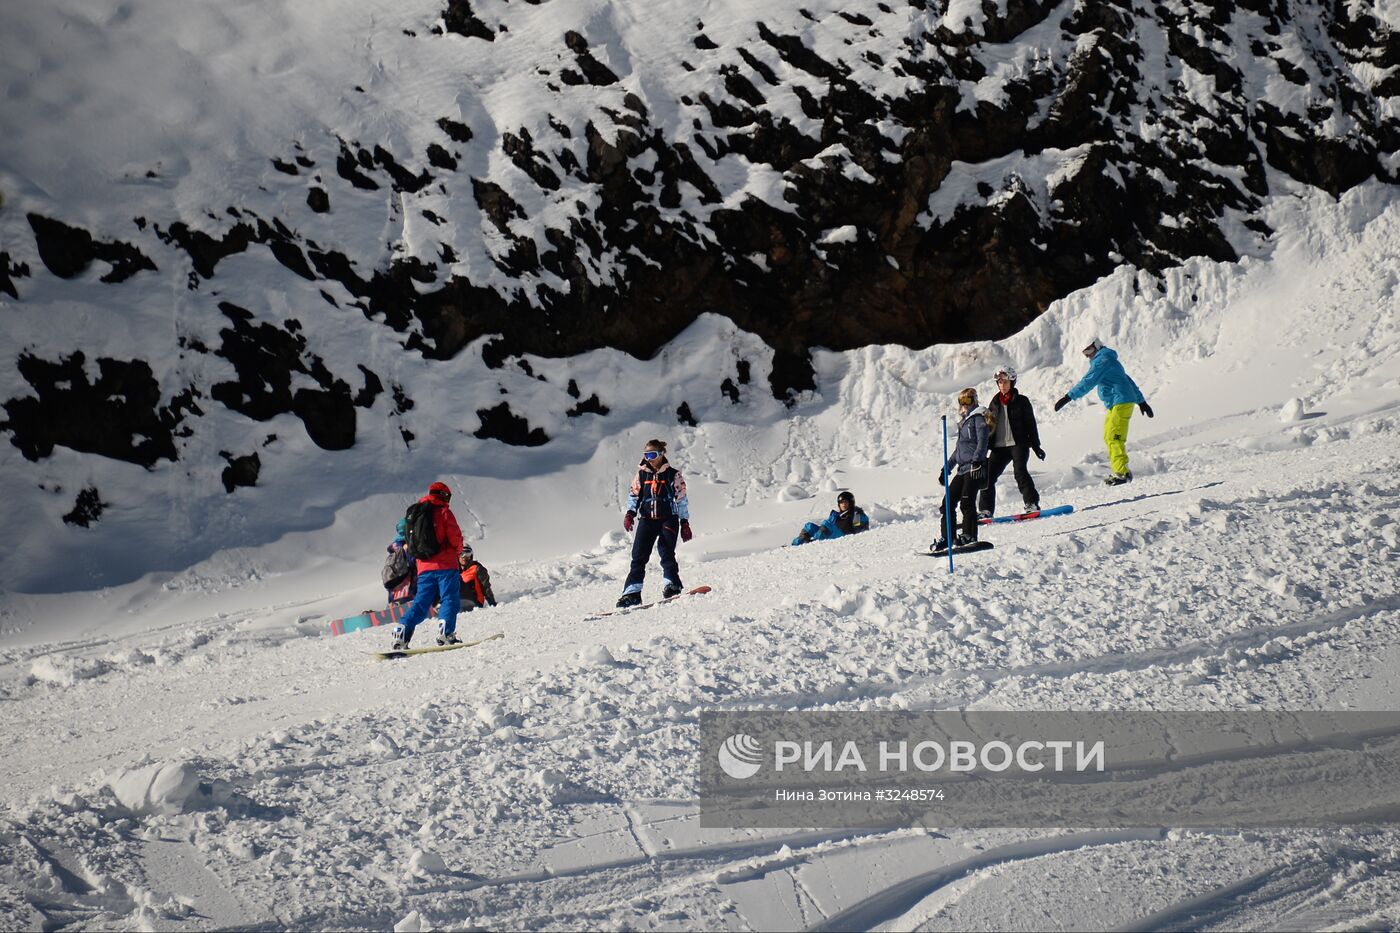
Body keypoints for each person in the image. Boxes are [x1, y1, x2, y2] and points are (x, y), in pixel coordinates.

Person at [1053, 339, 1154, 485]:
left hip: (1121, 402)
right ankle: (1119, 470)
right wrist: (1141, 401)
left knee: (1115, 437)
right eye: (1084, 353)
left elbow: (1088, 381)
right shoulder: (1106, 359)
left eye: (1089, 351)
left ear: (1097, 346)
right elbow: (1127, 380)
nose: (1087, 355)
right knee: (1109, 436)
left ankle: (1122, 472)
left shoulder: (1103, 360)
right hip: (1117, 403)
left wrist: (1068, 397)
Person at [389, 481, 464, 649]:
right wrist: (458, 551)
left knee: (421, 603)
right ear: (444, 495)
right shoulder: (444, 512)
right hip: (445, 565)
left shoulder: (415, 513)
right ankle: (446, 634)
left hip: (423, 567)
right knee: (449, 599)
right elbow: (455, 537)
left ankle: (402, 631)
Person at [618, 439, 691, 608]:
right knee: (638, 556)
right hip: (647, 520)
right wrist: (630, 514)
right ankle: (632, 593)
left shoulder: (673, 474)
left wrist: (685, 522)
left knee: (666, 551)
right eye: (646, 455)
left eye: (652, 455)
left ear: (661, 455)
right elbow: (634, 495)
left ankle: (672, 585)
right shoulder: (641, 475)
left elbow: (681, 499)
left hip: (668, 519)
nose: (648, 458)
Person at [979, 366, 1046, 518]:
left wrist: (1036, 446)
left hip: (1018, 444)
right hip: (999, 447)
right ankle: (985, 510)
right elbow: (989, 427)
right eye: (1000, 382)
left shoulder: (1022, 401)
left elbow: (1031, 424)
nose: (1002, 384)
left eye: (1005, 381)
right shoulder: (994, 403)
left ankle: (1031, 503)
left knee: (1020, 472)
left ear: (1012, 382)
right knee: (987, 476)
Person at [931, 388, 990, 551]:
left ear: (974, 401)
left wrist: (978, 460)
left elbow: (983, 441)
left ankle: (969, 535)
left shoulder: (978, 418)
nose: (964, 405)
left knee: (966, 502)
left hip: (974, 467)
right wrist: (946, 469)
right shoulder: (963, 423)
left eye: (967, 401)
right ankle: (947, 537)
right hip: (962, 469)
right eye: (961, 402)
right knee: (947, 503)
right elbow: (958, 451)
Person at [792, 490, 871, 545]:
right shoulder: (838, 515)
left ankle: (814, 543)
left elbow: (860, 531)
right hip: (830, 533)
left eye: (846, 502)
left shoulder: (856, 514)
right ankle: (796, 545)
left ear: (851, 503)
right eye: (841, 502)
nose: (843, 504)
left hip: (841, 535)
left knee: (827, 525)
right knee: (809, 526)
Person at [383, 517, 417, 606]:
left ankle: (394, 603)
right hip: (410, 592)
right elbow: (413, 563)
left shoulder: (394, 548)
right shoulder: (408, 545)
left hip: (394, 592)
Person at [457, 544, 498, 610]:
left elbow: (486, 587)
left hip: (474, 602)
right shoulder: (454, 570)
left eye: (467, 554)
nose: (464, 557)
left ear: (471, 556)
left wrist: (492, 603)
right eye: (461, 554)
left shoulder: (477, 568)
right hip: (457, 601)